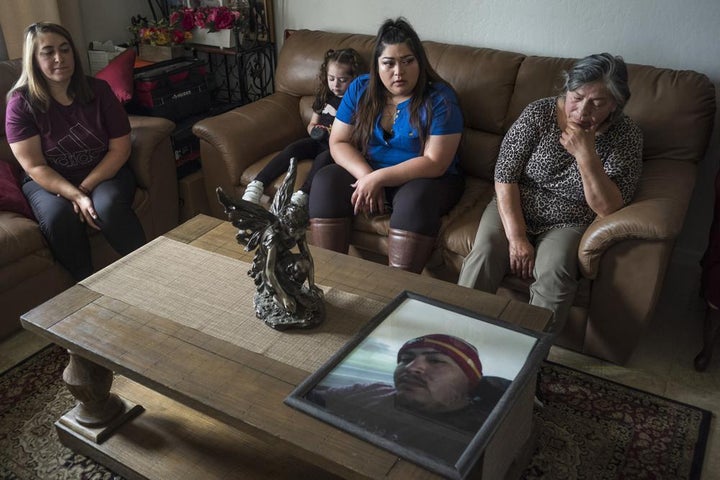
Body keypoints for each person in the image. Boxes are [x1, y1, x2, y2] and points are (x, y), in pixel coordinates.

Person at [458, 53, 644, 330]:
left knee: (555, 272)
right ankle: (452, 334)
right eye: (577, 97)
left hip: (569, 220)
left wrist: (586, 155)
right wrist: (518, 238)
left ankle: (531, 352)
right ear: (566, 89)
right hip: (515, 202)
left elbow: (607, 208)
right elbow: (505, 176)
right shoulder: (539, 113)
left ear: (615, 105)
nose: (582, 112)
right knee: (484, 252)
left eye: (597, 103)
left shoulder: (626, 135)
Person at [308, 18, 464, 273]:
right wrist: (367, 176)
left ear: (419, 62)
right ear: (377, 66)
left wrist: (379, 178)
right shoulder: (360, 87)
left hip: (425, 178)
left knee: (416, 200)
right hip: (370, 169)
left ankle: (396, 294)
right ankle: (328, 279)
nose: (398, 72)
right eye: (389, 63)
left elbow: (435, 162)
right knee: (325, 180)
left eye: (407, 61)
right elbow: (338, 141)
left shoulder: (441, 98)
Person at [5, 22, 145, 281]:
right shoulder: (20, 104)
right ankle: (85, 286)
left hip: (103, 172)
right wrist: (73, 196)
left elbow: (120, 148)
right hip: (46, 181)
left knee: (108, 207)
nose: (59, 58)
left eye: (65, 49)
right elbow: (35, 166)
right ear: (33, 60)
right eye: (47, 52)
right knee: (59, 217)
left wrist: (84, 190)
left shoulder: (98, 91)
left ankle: (149, 271)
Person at [307, 333, 510, 464]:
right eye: (405, 359)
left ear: (469, 382)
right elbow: (312, 401)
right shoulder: (373, 390)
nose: (412, 367)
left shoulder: (481, 434)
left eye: (435, 361)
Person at [242, 48, 364, 207]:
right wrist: (314, 131)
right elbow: (312, 123)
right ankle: (257, 185)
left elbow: (357, 133)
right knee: (293, 148)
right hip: (317, 141)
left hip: (336, 148)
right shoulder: (324, 96)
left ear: (354, 78)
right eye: (331, 78)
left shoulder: (355, 102)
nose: (336, 84)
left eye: (342, 80)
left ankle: (303, 194)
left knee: (323, 159)